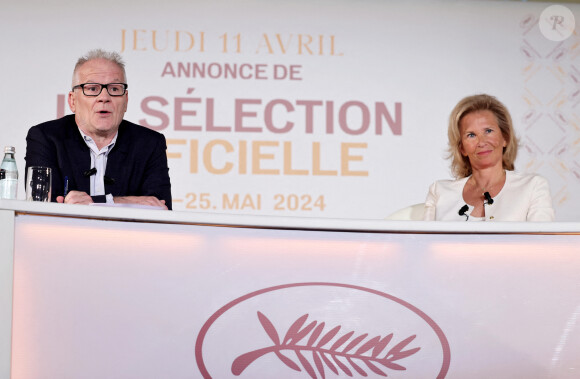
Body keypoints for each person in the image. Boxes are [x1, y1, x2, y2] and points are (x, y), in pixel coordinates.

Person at [25, 49, 172, 210]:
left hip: (126, 235)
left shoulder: (149, 144)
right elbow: (41, 206)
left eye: (115, 89)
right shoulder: (45, 138)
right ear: (73, 101)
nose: (104, 97)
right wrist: (130, 202)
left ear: (126, 101)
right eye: (92, 89)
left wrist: (102, 201)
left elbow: (160, 208)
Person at [423, 94, 554, 221]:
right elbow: (423, 242)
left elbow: (542, 242)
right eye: (471, 135)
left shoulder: (532, 186)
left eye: (488, 131)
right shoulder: (439, 192)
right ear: (462, 148)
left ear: (505, 138)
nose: (481, 142)